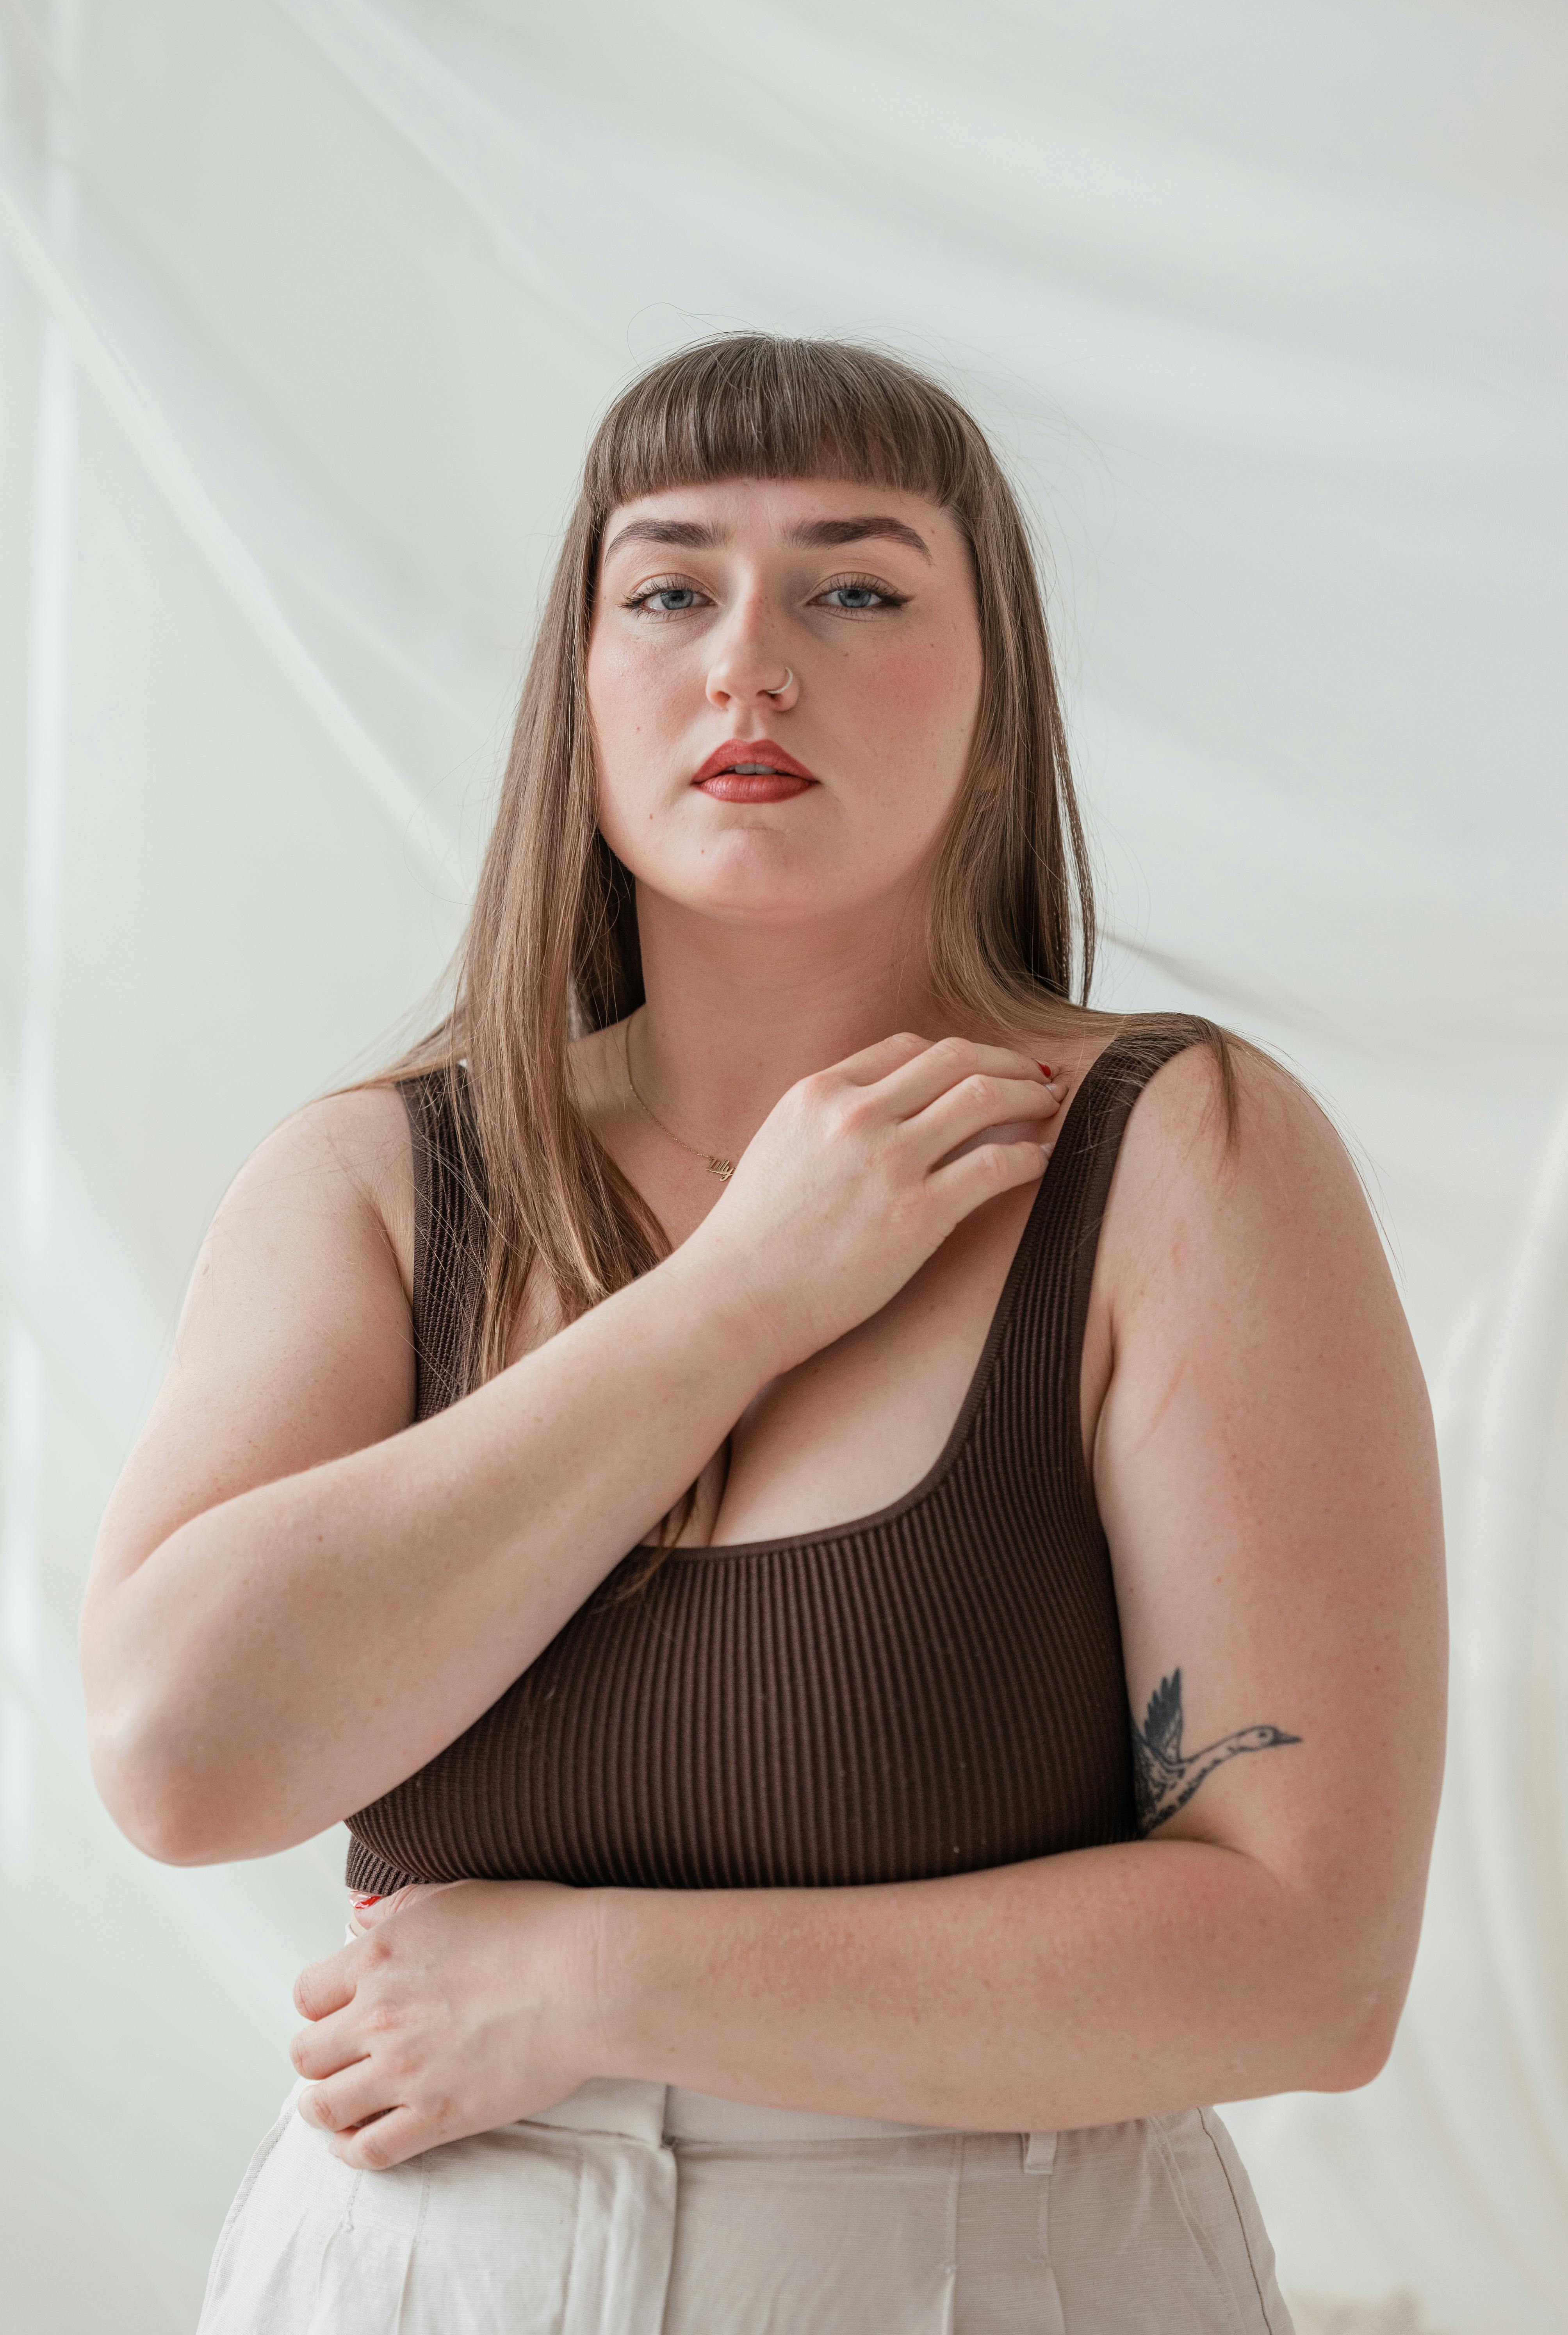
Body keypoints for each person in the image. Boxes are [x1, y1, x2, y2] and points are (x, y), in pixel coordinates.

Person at [80, 335, 1445, 2333]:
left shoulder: (1180, 1155)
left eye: (856, 585)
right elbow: (180, 1760)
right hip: (411, 2278)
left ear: (996, 708)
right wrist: (744, 1292)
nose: (749, 663)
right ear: (581, 688)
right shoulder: (373, 1181)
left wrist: (580, 1982)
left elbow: (1305, 1966)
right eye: (670, 588)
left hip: (1000, 2277)